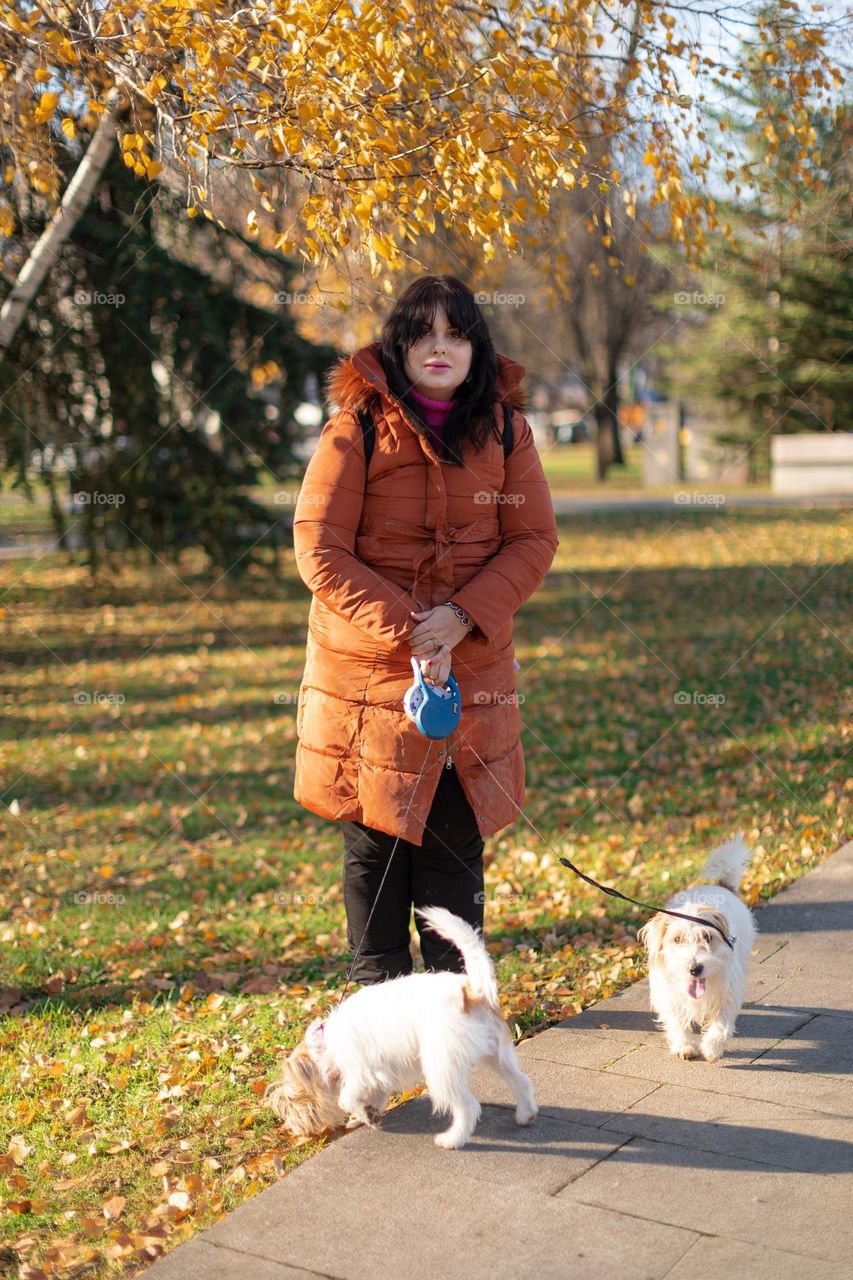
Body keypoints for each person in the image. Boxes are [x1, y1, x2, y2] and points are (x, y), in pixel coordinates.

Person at [292, 275, 558, 984]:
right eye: (423, 334)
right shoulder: (354, 429)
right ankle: (376, 1008)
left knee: (452, 841)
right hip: (368, 677)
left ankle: (456, 1012)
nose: (439, 348)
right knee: (375, 847)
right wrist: (415, 630)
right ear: (398, 344)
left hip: (471, 672)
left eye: (456, 334)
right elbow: (318, 547)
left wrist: (462, 616)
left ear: (476, 345)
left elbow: (531, 540)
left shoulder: (507, 431)